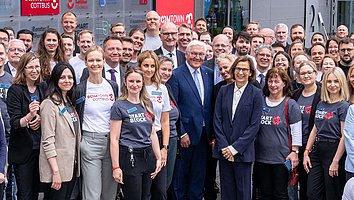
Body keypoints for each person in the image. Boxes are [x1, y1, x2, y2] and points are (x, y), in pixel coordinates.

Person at [167, 40, 213, 199]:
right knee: (180, 178)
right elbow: (174, 106)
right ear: (186, 54)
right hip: (185, 136)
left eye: (201, 54)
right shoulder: (176, 75)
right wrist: (181, 133)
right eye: (194, 53)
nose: (197, 57)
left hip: (204, 135)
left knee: (198, 178)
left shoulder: (209, 73)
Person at [214, 56, 262, 200]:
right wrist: (224, 147)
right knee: (226, 192)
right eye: (238, 69)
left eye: (245, 70)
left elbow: (254, 125)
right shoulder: (223, 90)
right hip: (223, 151)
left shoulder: (256, 93)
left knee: (243, 192)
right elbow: (217, 120)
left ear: (250, 72)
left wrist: (234, 149)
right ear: (233, 70)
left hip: (243, 152)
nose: (241, 72)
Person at [110, 67, 162, 200]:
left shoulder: (147, 103)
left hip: (147, 155)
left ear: (143, 83)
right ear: (125, 82)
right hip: (130, 156)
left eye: (138, 81)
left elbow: (152, 133)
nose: (134, 85)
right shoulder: (119, 106)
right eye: (131, 81)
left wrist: (158, 157)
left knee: (146, 196)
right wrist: (116, 167)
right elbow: (114, 139)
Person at [75, 46, 118, 200]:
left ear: (104, 61)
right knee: (92, 193)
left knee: (109, 192)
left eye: (98, 60)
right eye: (91, 60)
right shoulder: (80, 89)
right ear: (86, 62)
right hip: (90, 142)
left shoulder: (112, 86)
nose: (95, 63)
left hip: (111, 143)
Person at [255, 67, 302, 199]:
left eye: (277, 81)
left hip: (281, 159)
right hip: (261, 158)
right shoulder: (260, 101)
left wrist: (295, 152)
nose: (273, 85)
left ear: (284, 83)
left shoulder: (290, 104)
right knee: (264, 194)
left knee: (281, 194)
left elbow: (296, 131)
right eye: (270, 81)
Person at [303, 67, 349, 200]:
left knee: (331, 194)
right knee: (312, 193)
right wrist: (307, 151)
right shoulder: (321, 103)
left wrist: (335, 161)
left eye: (336, 81)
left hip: (334, 150)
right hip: (317, 150)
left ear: (341, 83)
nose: (332, 85)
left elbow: (344, 136)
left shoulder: (343, 106)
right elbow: (315, 128)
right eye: (329, 81)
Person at [7, 52, 46, 199]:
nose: (35, 70)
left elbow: (49, 112)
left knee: (38, 192)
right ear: (23, 69)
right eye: (30, 67)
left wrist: (41, 118)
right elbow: (16, 123)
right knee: (25, 194)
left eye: (37, 67)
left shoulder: (43, 87)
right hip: (23, 151)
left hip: (40, 150)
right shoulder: (15, 90)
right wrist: (30, 116)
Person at [39, 63, 80, 199]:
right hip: (57, 170)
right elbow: (47, 140)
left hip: (70, 167)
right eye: (63, 77)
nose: (67, 80)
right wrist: (55, 171)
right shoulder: (48, 104)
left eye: (70, 77)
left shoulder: (68, 101)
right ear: (55, 79)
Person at [137, 50, 170, 200]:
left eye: (152, 66)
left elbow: (165, 121)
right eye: (146, 65)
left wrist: (165, 147)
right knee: (144, 190)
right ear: (139, 66)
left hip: (157, 136)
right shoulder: (134, 86)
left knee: (160, 189)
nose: (149, 69)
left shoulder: (161, 88)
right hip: (138, 139)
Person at [292, 60, 321, 200]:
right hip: (298, 147)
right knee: (302, 186)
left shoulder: (322, 95)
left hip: (315, 149)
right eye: (302, 73)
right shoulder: (295, 95)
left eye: (309, 72)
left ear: (316, 74)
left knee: (313, 190)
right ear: (298, 76)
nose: (306, 75)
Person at [158, 56, 180, 192]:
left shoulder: (167, 88)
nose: (166, 73)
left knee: (166, 182)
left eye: (169, 70)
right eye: (163, 69)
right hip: (156, 139)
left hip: (171, 139)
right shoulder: (147, 90)